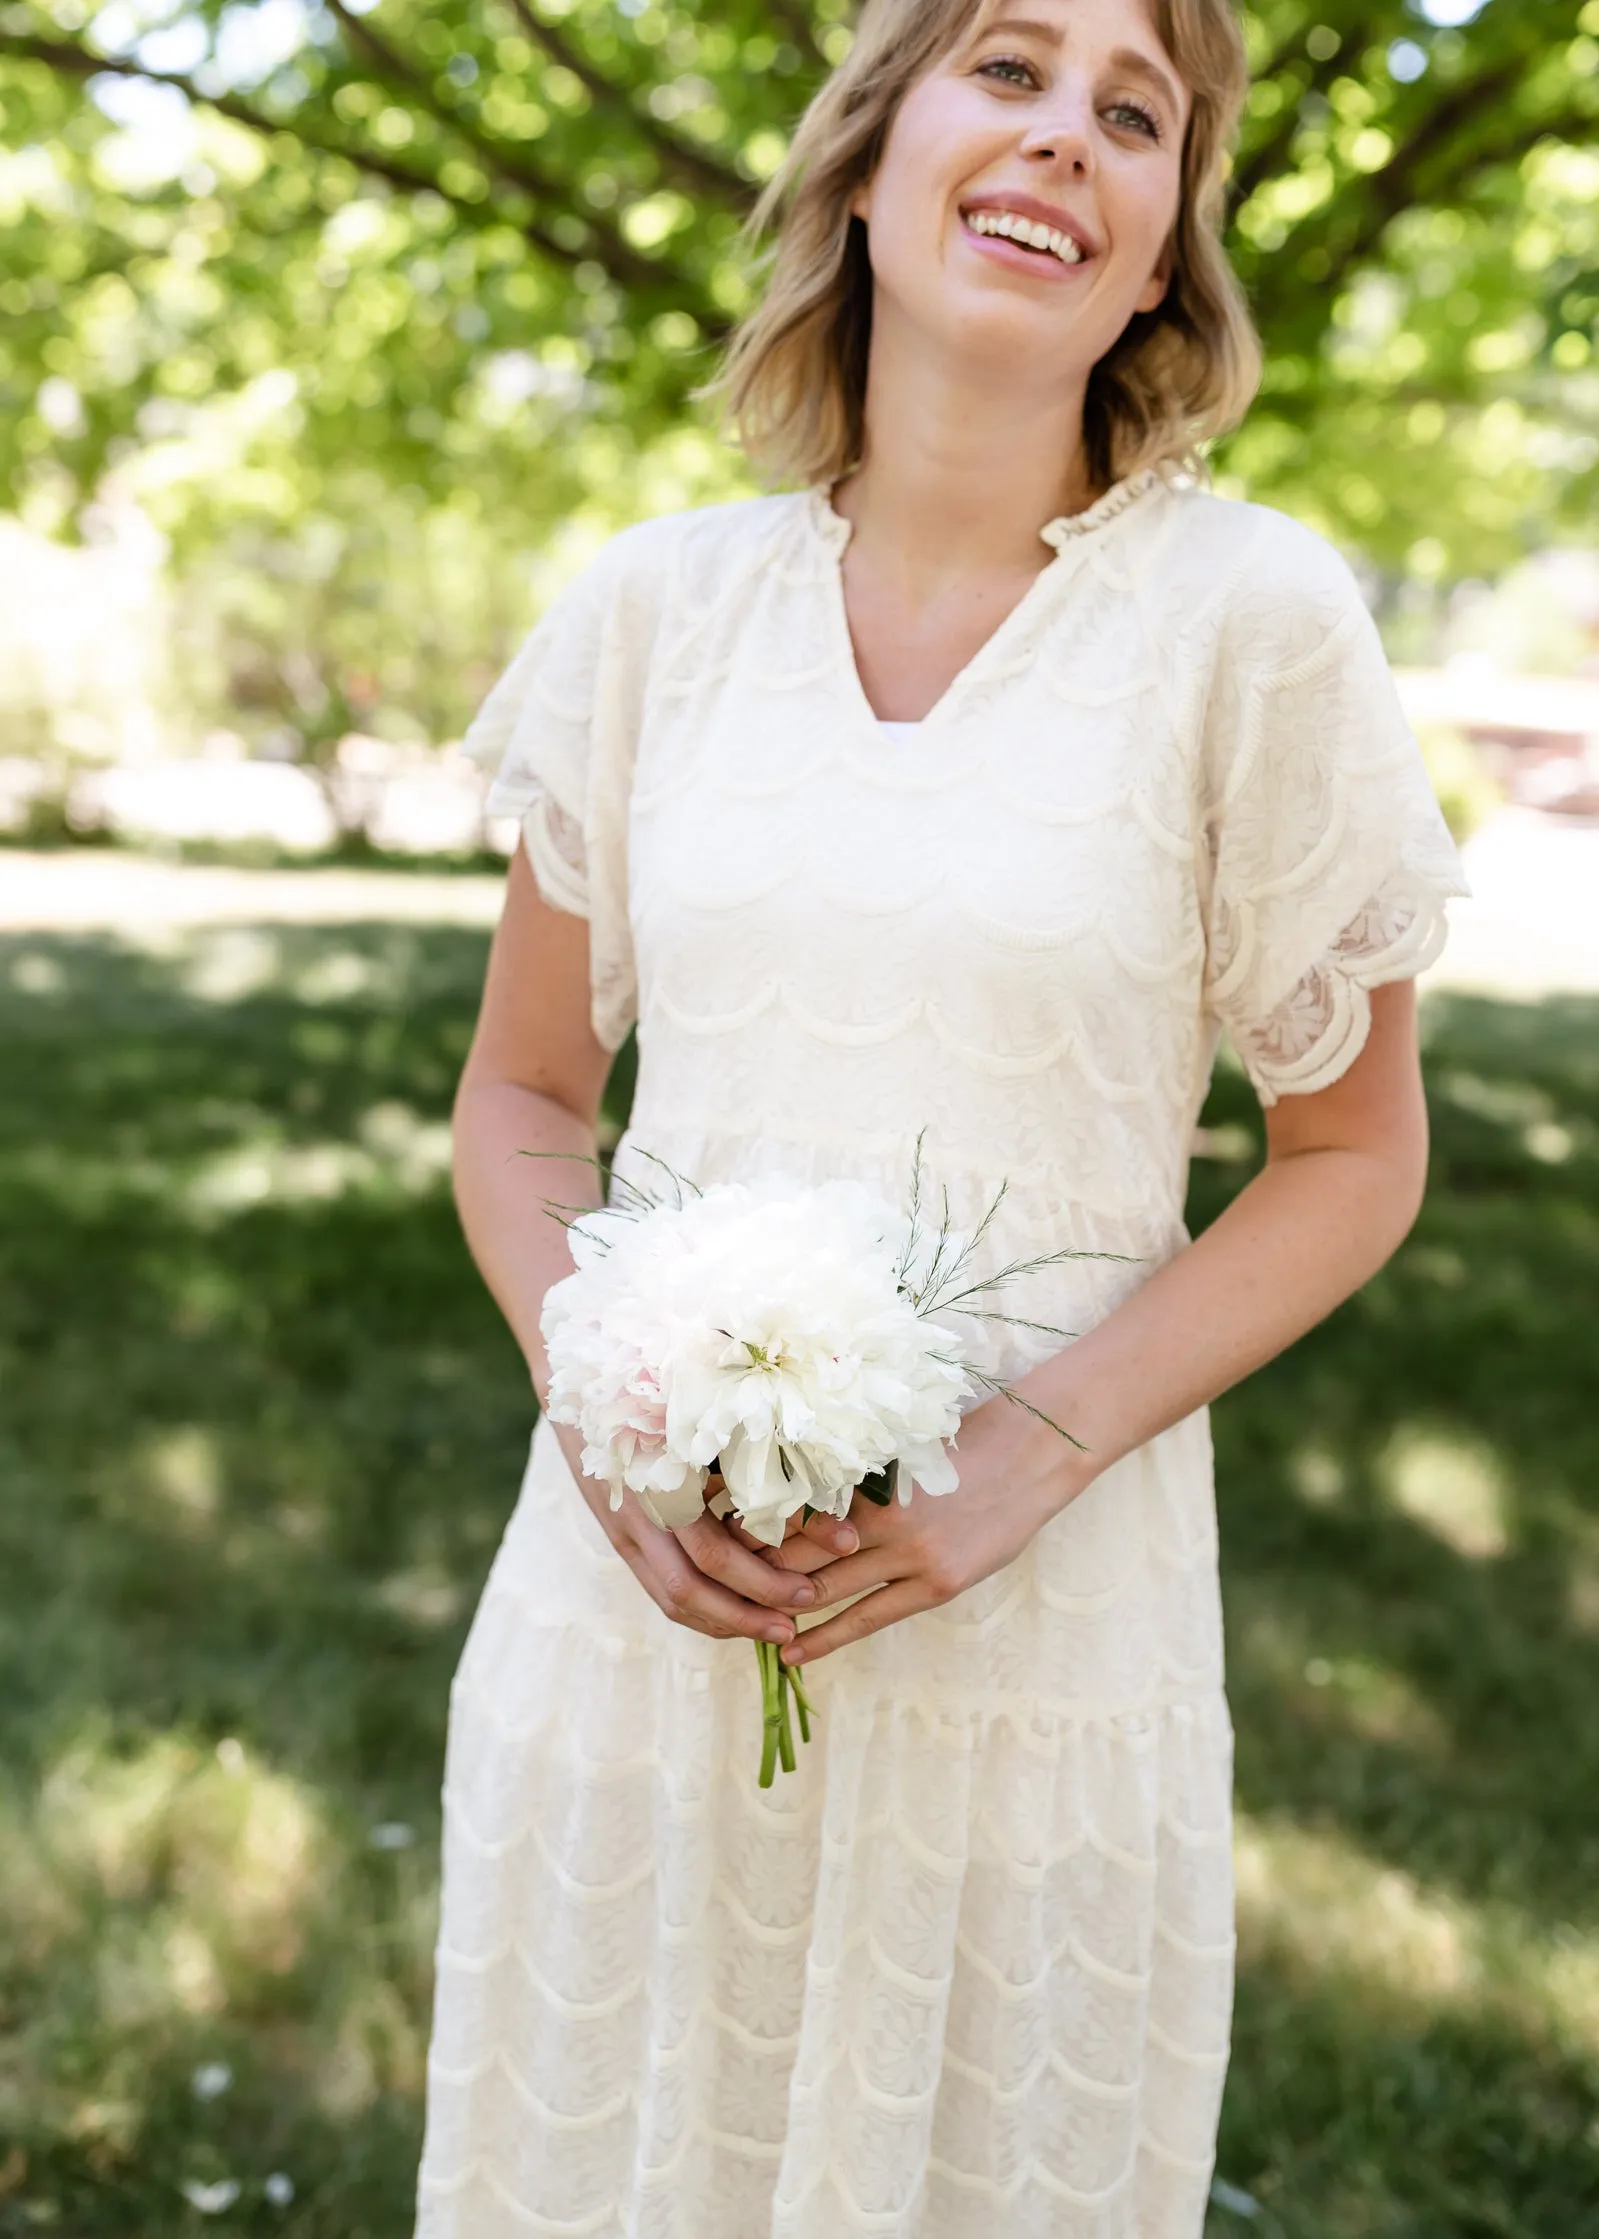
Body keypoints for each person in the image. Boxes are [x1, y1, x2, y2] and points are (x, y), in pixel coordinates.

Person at [416, 0, 1469, 2231]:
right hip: (634, 1622)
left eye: (1135, 114)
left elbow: (1353, 1155)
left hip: (1041, 1643)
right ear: (872, 150)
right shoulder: (654, 612)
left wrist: (1029, 1455)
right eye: (1006, 67)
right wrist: (595, 1390)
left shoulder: (1252, 627)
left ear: (1170, 242)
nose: (1065, 140)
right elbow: (521, 1093)